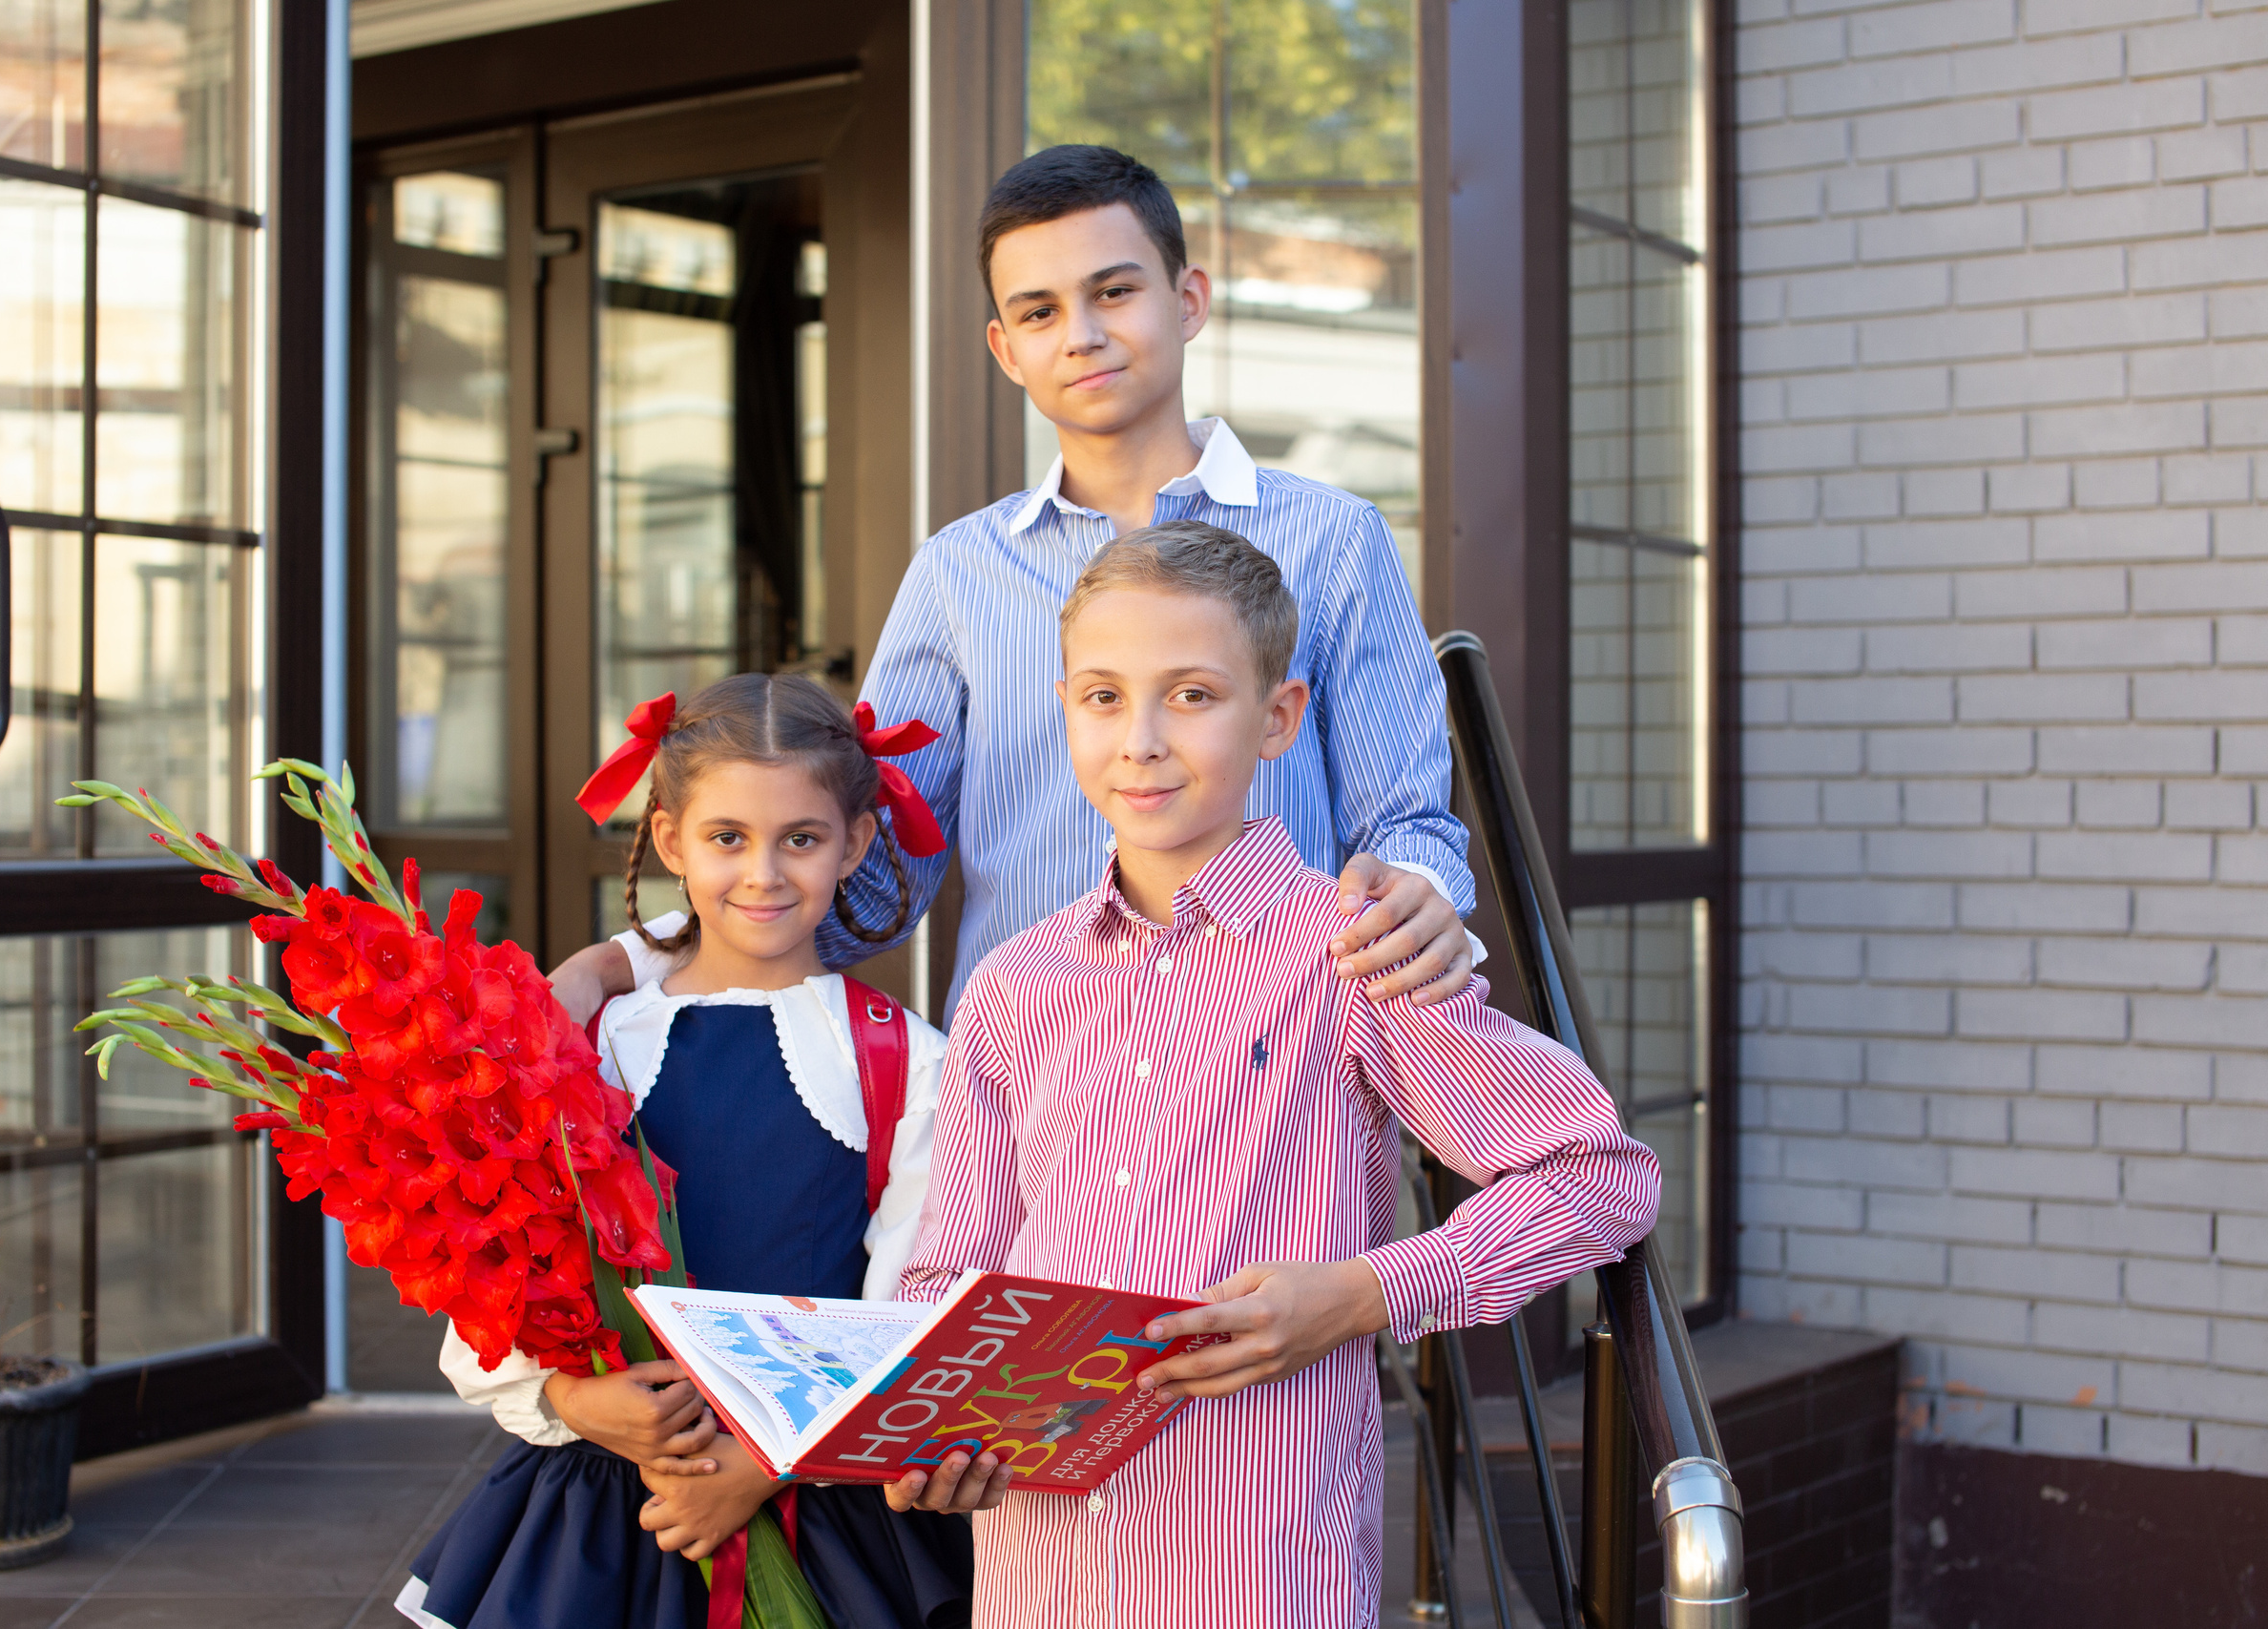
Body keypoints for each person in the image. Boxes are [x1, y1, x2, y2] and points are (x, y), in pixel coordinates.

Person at [882, 523, 1661, 1628]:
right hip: (1038, 1574)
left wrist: (1365, 1294)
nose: (1141, 740)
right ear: (1064, 710)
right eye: (1103, 698)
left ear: (1278, 719)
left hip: (1251, 1569)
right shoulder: (1014, 983)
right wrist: (938, 1427)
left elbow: (1600, 1177)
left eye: (1191, 695)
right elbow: (950, 1282)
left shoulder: (1351, 955)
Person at [552, 142, 1482, 1029]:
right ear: (1005, 349)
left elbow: (1403, 818)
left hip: (1274, 1084)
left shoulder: (1332, 538)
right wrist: (633, 959)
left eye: (1113, 292)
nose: (1080, 335)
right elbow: (865, 870)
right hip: (1030, 1086)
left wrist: (1416, 897)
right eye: (1038, 312)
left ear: (1187, 299)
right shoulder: (959, 573)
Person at [400, 674, 977, 1629]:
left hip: (815, 1511)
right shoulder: (586, 1046)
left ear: (857, 842)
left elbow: (908, 1313)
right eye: (726, 839)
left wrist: (756, 1467)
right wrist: (573, 1402)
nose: (764, 874)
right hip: (603, 1509)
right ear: (669, 838)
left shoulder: (908, 1063)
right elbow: (495, 1287)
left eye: (801, 838)